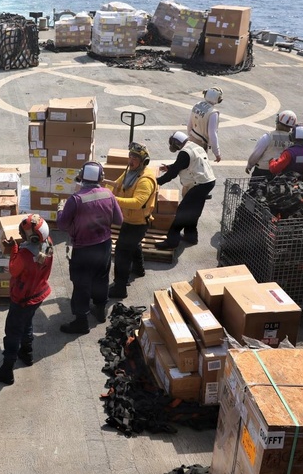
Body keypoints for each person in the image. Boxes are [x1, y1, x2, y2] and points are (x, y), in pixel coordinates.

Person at [0, 214, 54, 386]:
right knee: (27, 323)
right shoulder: (48, 244)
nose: (20, 234)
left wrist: (14, 248)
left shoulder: (24, 255)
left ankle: (6, 371)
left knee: (13, 333)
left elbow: (13, 269)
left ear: (32, 237)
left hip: (22, 299)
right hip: (38, 294)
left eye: (23, 233)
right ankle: (27, 353)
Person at [56, 161, 123, 330]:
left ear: (81, 177)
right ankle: (100, 311)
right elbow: (119, 220)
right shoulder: (108, 194)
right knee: (101, 279)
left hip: (84, 249)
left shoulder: (75, 200)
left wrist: (60, 210)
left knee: (81, 284)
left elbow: (63, 225)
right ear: (101, 178)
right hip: (104, 246)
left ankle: (81, 321)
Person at [105, 143, 158, 301]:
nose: (131, 160)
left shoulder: (145, 180)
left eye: (135, 157)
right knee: (133, 244)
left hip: (138, 223)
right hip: (130, 219)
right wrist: (103, 189)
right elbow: (117, 184)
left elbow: (137, 202)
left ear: (144, 161)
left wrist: (112, 199)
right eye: (130, 156)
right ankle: (139, 269)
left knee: (122, 252)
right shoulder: (130, 171)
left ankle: (120, 288)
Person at [155, 131, 216, 250]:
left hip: (199, 185)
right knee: (194, 211)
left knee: (181, 213)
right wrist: (169, 167)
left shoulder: (184, 153)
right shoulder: (195, 146)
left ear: (177, 144)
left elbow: (173, 173)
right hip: (208, 182)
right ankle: (191, 236)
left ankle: (172, 242)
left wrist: (157, 182)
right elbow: (185, 164)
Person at [246, 110, 297, 179]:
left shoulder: (268, 137)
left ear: (278, 122)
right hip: (281, 173)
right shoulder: (294, 140)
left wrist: (250, 165)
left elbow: (256, 154)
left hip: (263, 171)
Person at [186, 87, 223, 162]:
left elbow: (189, 125)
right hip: (201, 145)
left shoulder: (197, 105)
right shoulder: (213, 113)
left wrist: (190, 137)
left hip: (191, 140)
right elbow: (212, 134)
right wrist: (217, 153)